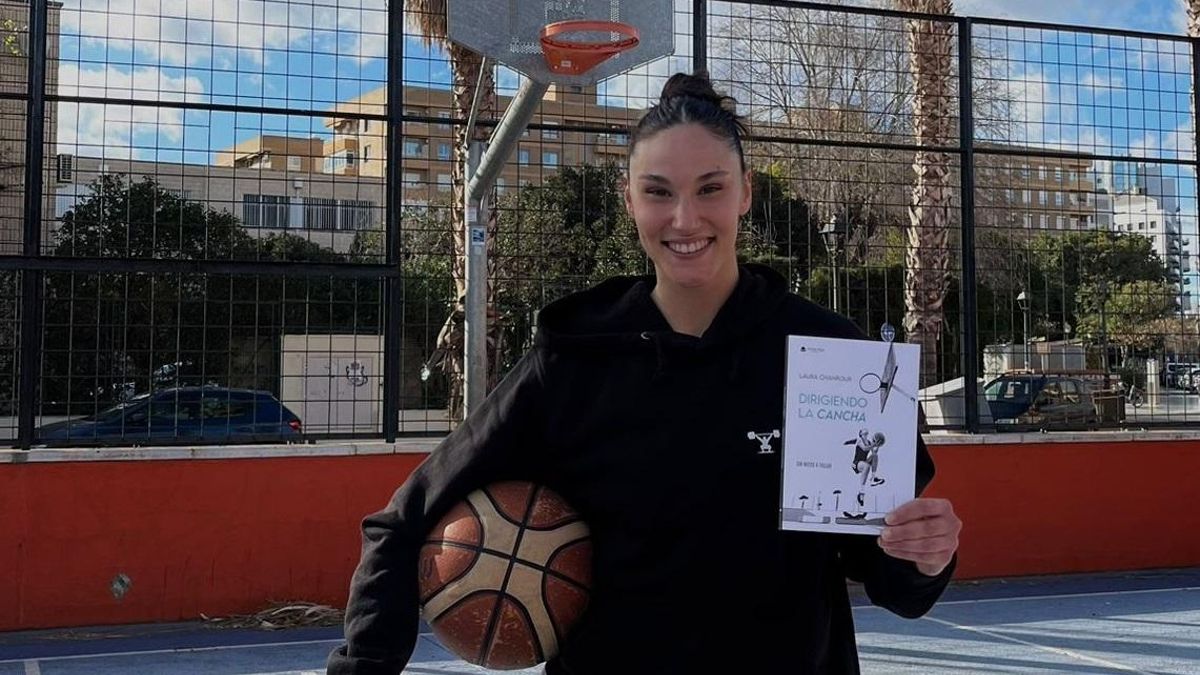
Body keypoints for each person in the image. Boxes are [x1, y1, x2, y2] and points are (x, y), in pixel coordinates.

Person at [327, 71, 961, 675]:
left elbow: (896, 587)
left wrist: (925, 554)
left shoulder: (833, 355)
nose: (685, 219)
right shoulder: (575, 358)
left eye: (710, 188)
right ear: (629, 200)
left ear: (746, 192)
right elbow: (400, 524)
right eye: (659, 191)